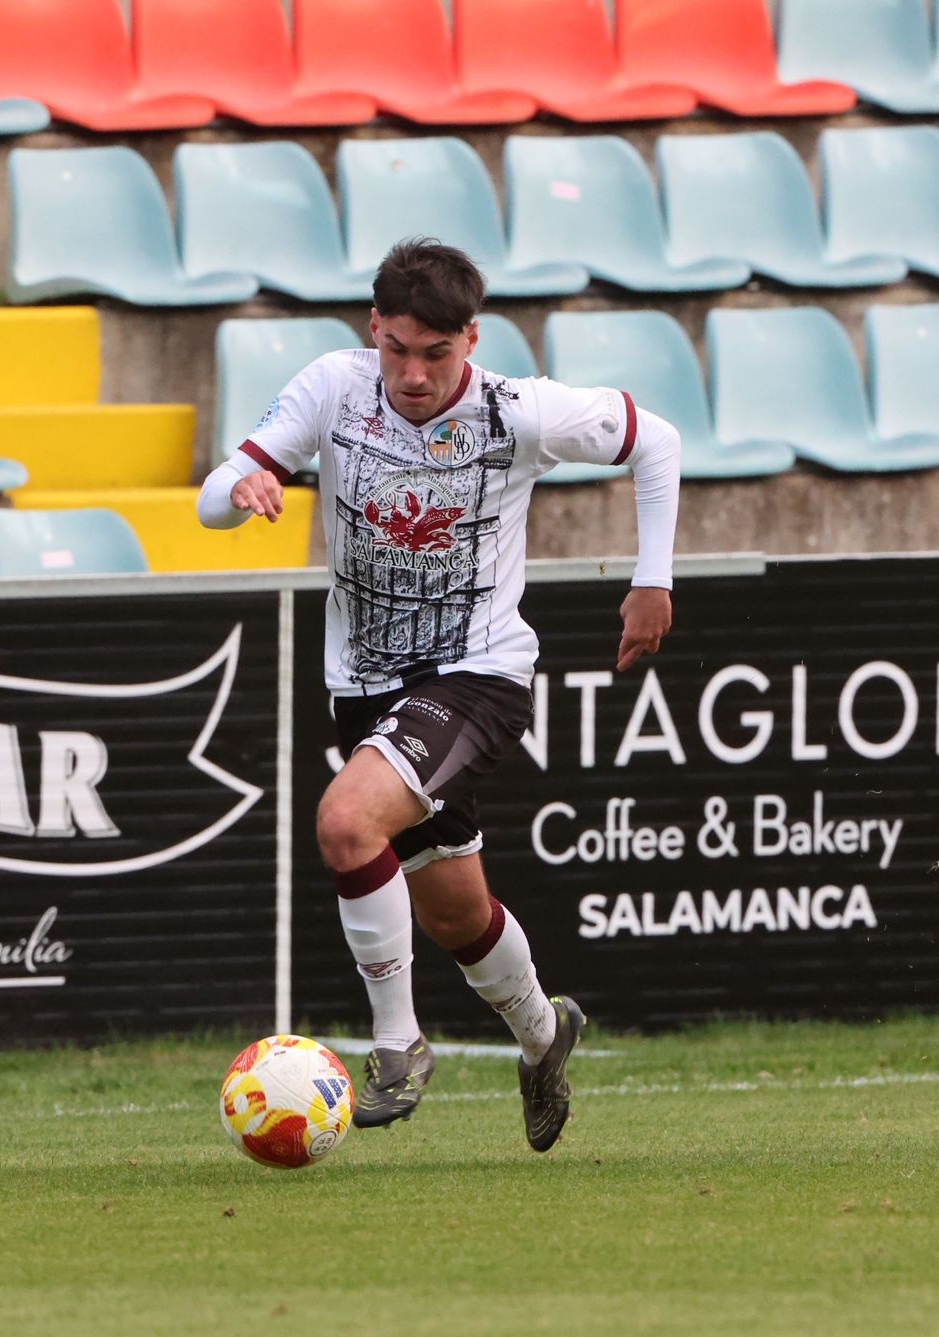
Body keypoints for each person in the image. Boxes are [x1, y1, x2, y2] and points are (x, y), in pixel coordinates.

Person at [196, 239, 680, 1151]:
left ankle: (396, 1047)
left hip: (477, 675)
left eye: (436, 354)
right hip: (364, 686)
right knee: (456, 913)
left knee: (346, 824)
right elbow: (213, 499)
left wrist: (653, 580)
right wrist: (244, 482)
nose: (413, 375)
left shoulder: (519, 412)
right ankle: (543, 1036)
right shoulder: (333, 389)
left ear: (472, 338)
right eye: (398, 350)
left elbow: (656, 439)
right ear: (374, 329)